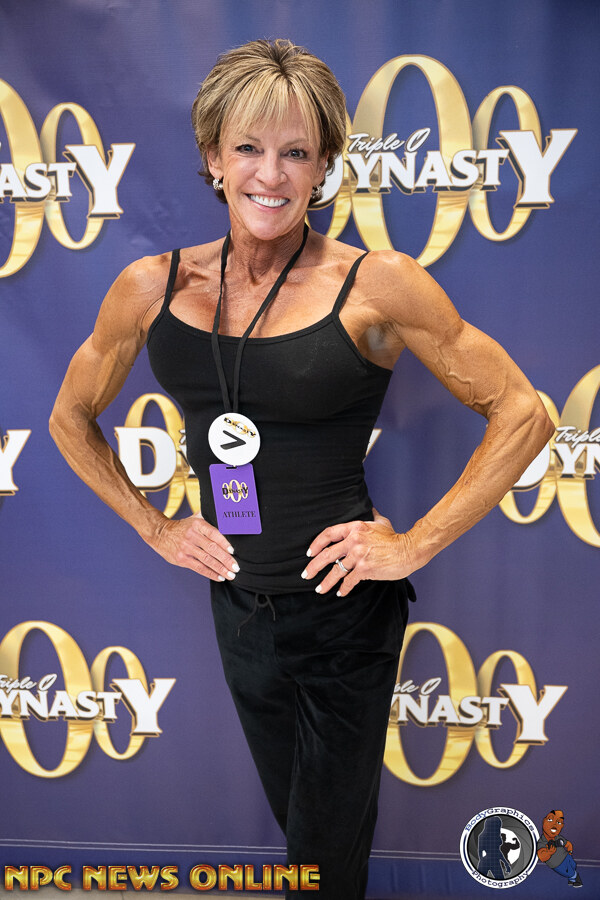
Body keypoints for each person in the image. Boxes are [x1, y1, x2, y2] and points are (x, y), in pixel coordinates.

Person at [49, 39, 554, 900]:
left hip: (343, 613)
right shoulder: (150, 286)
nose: (271, 175)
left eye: (296, 152)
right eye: (248, 148)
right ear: (213, 156)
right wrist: (155, 526)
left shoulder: (378, 283)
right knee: (312, 843)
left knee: (319, 860)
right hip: (238, 607)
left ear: (323, 167)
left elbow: (525, 412)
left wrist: (413, 545)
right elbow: (69, 417)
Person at [537, 810, 583, 888]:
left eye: (558, 822)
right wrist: (549, 853)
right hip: (556, 864)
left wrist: (570, 850)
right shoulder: (542, 842)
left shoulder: (558, 837)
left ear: (562, 825)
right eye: (550, 819)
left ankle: (571, 880)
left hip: (566, 856)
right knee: (569, 873)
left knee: (573, 865)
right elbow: (541, 856)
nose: (554, 824)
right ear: (544, 821)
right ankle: (576, 878)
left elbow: (567, 843)